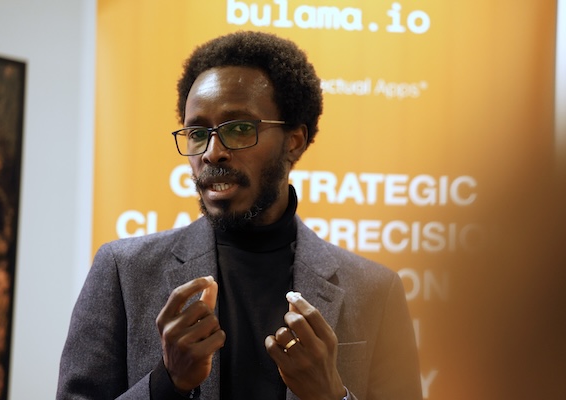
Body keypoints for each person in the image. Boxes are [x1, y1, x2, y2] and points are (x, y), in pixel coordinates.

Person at [57, 31, 422, 400]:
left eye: (240, 128)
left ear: (294, 141)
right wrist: (167, 384)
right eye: (197, 132)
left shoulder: (375, 291)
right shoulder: (124, 272)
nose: (212, 152)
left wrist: (332, 396)